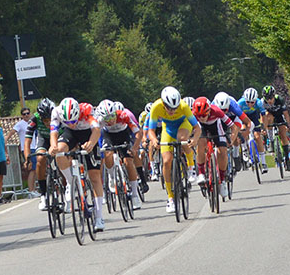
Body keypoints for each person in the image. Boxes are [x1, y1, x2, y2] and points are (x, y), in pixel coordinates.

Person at [49, 97, 105, 231]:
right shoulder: (56, 112)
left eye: (73, 120)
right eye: (67, 121)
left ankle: (99, 217)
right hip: (71, 134)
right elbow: (54, 133)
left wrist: (91, 144)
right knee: (60, 152)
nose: (72, 123)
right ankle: (71, 181)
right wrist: (53, 147)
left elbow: (96, 131)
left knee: (94, 176)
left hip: (88, 133)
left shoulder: (87, 109)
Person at [149, 86, 201, 215]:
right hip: (168, 129)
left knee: (182, 138)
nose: (172, 111)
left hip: (184, 125)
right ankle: (170, 198)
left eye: (175, 108)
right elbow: (151, 130)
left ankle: (190, 168)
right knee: (166, 161)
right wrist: (154, 140)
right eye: (169, 108)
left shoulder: (183, 106)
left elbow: (197, 127)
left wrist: (194, 139)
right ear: (163, 103)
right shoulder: (156, 107)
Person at [96, 99, 144, 208]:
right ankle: (112, 177)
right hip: (109, 136)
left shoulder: (123, 116)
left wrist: (135, 148)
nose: (111, 120)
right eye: (107, 118)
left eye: (112, 116)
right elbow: (94, 135)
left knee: (128, 162)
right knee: (107, 154)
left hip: (124, 135)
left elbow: (138, 132)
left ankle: (135, 196)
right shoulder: (99, 121)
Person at [190, 96, 233, 199]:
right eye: (198, 116)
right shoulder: (193, 115)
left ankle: (222, 180)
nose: (202, 118)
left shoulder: (216, 111)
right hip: (201, 128)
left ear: (209, 111)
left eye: (204, 115)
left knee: (222, 151)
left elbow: (232, 126)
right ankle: (201, 173)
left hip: (215, 127)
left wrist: (232, 138)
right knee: (201, 142)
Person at [25, 99, 54, 210]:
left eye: (50, 119)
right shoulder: (34, 118)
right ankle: (43, 195)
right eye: (45, 120)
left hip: (57, 137)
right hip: (43, 139)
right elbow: (27, 140)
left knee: (62, 159)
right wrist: (27, 157)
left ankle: (67, 190)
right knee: (40, 159)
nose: (48, 123)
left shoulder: (58, 115)